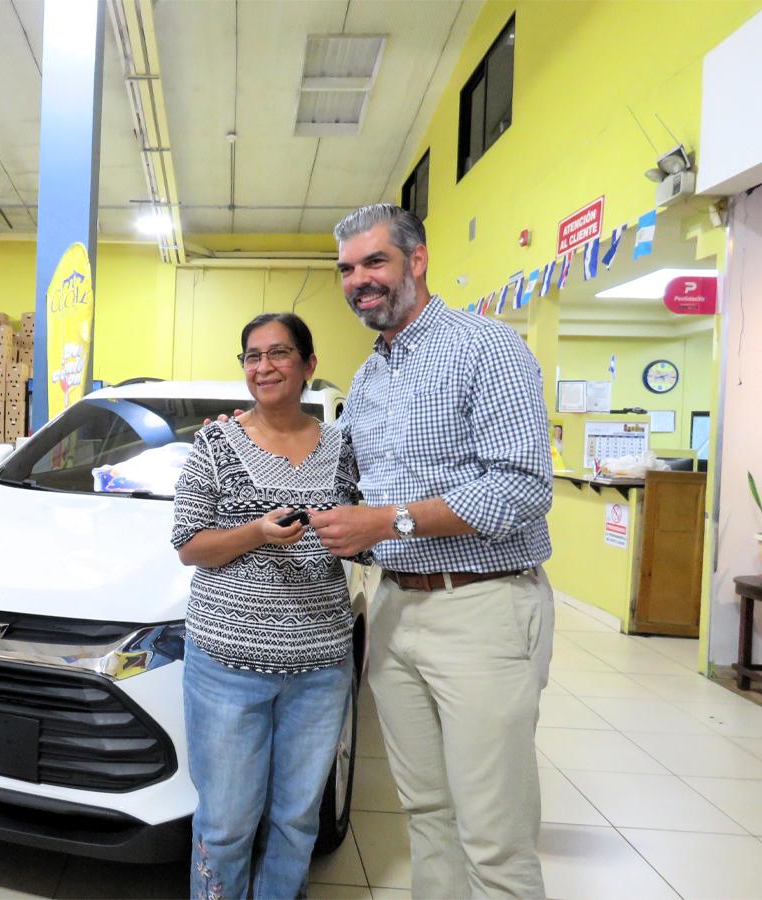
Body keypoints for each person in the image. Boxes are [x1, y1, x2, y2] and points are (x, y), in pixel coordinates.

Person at [309, 204, 554, 899]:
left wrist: (388, 525)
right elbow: (346, 475)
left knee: (494, 840)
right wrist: (257, 439)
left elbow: (521, 488)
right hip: (395, 608)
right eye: (347, 270)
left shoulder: (486, 347)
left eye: (373, 262)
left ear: (416, 260)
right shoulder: (370, 376)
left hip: (481, 605)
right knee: (427, 815)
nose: (359, 281)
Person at [172, 313, 360, 900]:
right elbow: (189, 545)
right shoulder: (214, 442)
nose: (264, 366)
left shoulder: (342, 445)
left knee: (298, 819)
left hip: (321, 666)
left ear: (308, 365)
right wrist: (255, 531)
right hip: (227, 666)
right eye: (252, 356)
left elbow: (365, 528)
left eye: (279, 353)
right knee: (226, 826)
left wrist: (351, 534)